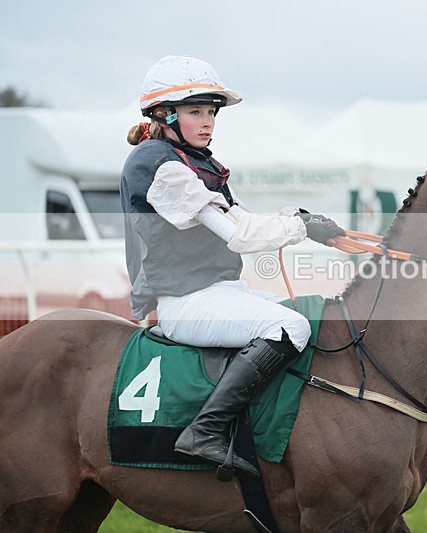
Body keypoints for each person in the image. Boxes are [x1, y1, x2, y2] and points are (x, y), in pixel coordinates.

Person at [121, 55, 345, 478]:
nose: (207, 121)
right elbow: (238, 235)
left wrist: (300, 218)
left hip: (220, 292)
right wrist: (301, 227)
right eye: (195, 111)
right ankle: (204, 430)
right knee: (291, 328)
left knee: (305, 318)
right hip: (186, 302)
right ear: (165, 114)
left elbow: (244, 219)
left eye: (211, 112)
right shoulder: (160, 165)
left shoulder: (198, 161)